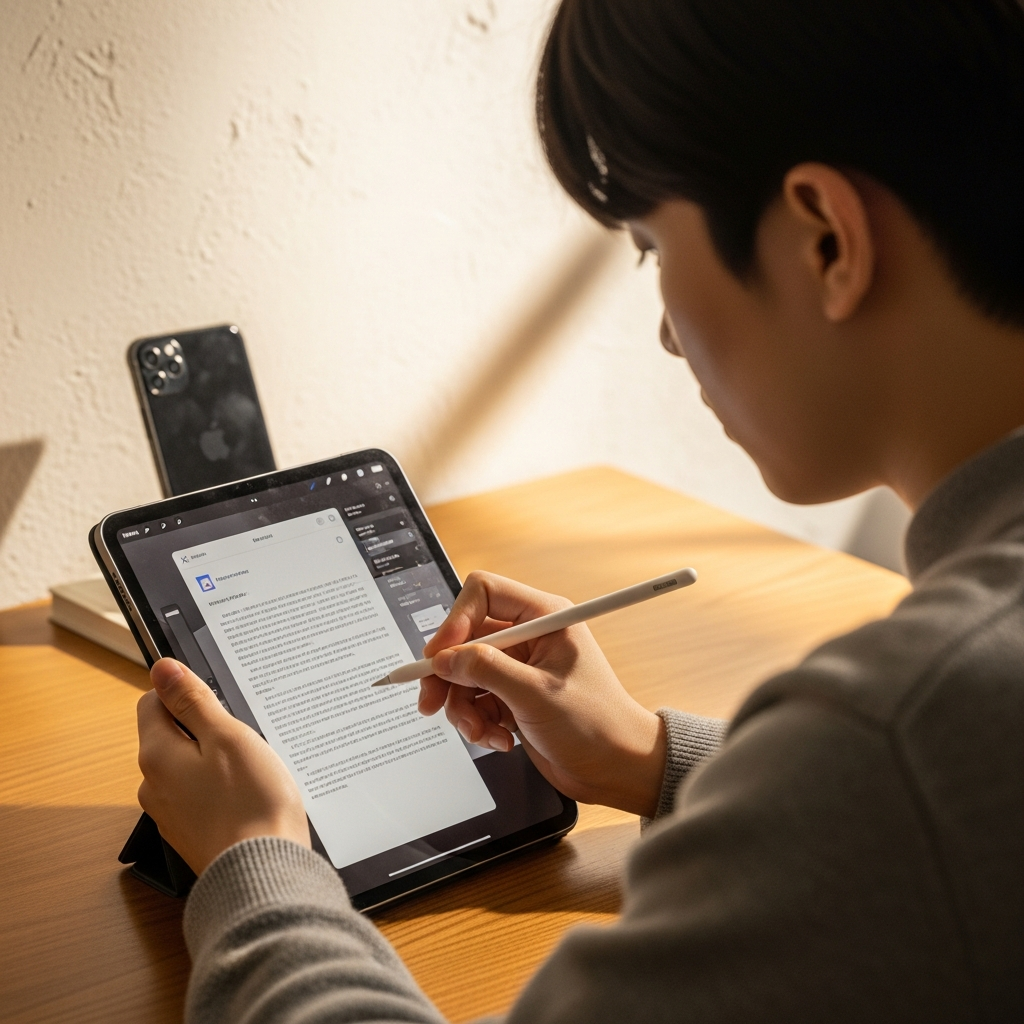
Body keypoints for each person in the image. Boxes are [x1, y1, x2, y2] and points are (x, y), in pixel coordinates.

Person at [135, 0, 1024, 1020]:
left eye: (649, 244)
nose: (664, 335)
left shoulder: (891, 733)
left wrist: (257, 871)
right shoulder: (919, 745)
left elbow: (900, 783)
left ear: (824, 238)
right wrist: (655, 758)